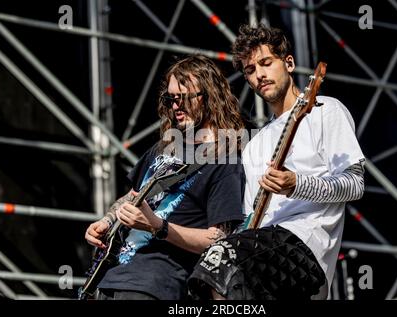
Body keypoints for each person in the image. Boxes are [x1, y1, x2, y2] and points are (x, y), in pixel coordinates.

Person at [188, 24, 365, 300]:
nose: (259, 74)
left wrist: (297, 184)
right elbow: (251, 219)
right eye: (249, 70)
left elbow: (354, 184)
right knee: (201, 283)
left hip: (306, 245)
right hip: (261, 252)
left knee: (219, 261)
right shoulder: (254, 145)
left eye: (266, 63)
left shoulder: (324, 111)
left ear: (289, 63)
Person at [84, 55, 246, 300]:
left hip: (156, 284)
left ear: (210, 96)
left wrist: (158, 227)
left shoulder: (225, 158)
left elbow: (219, 239)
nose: (176, 106)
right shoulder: (166, 146)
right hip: (109, 276)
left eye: (184, 97)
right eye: (171, 98)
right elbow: (133, 196)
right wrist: (106, 222)